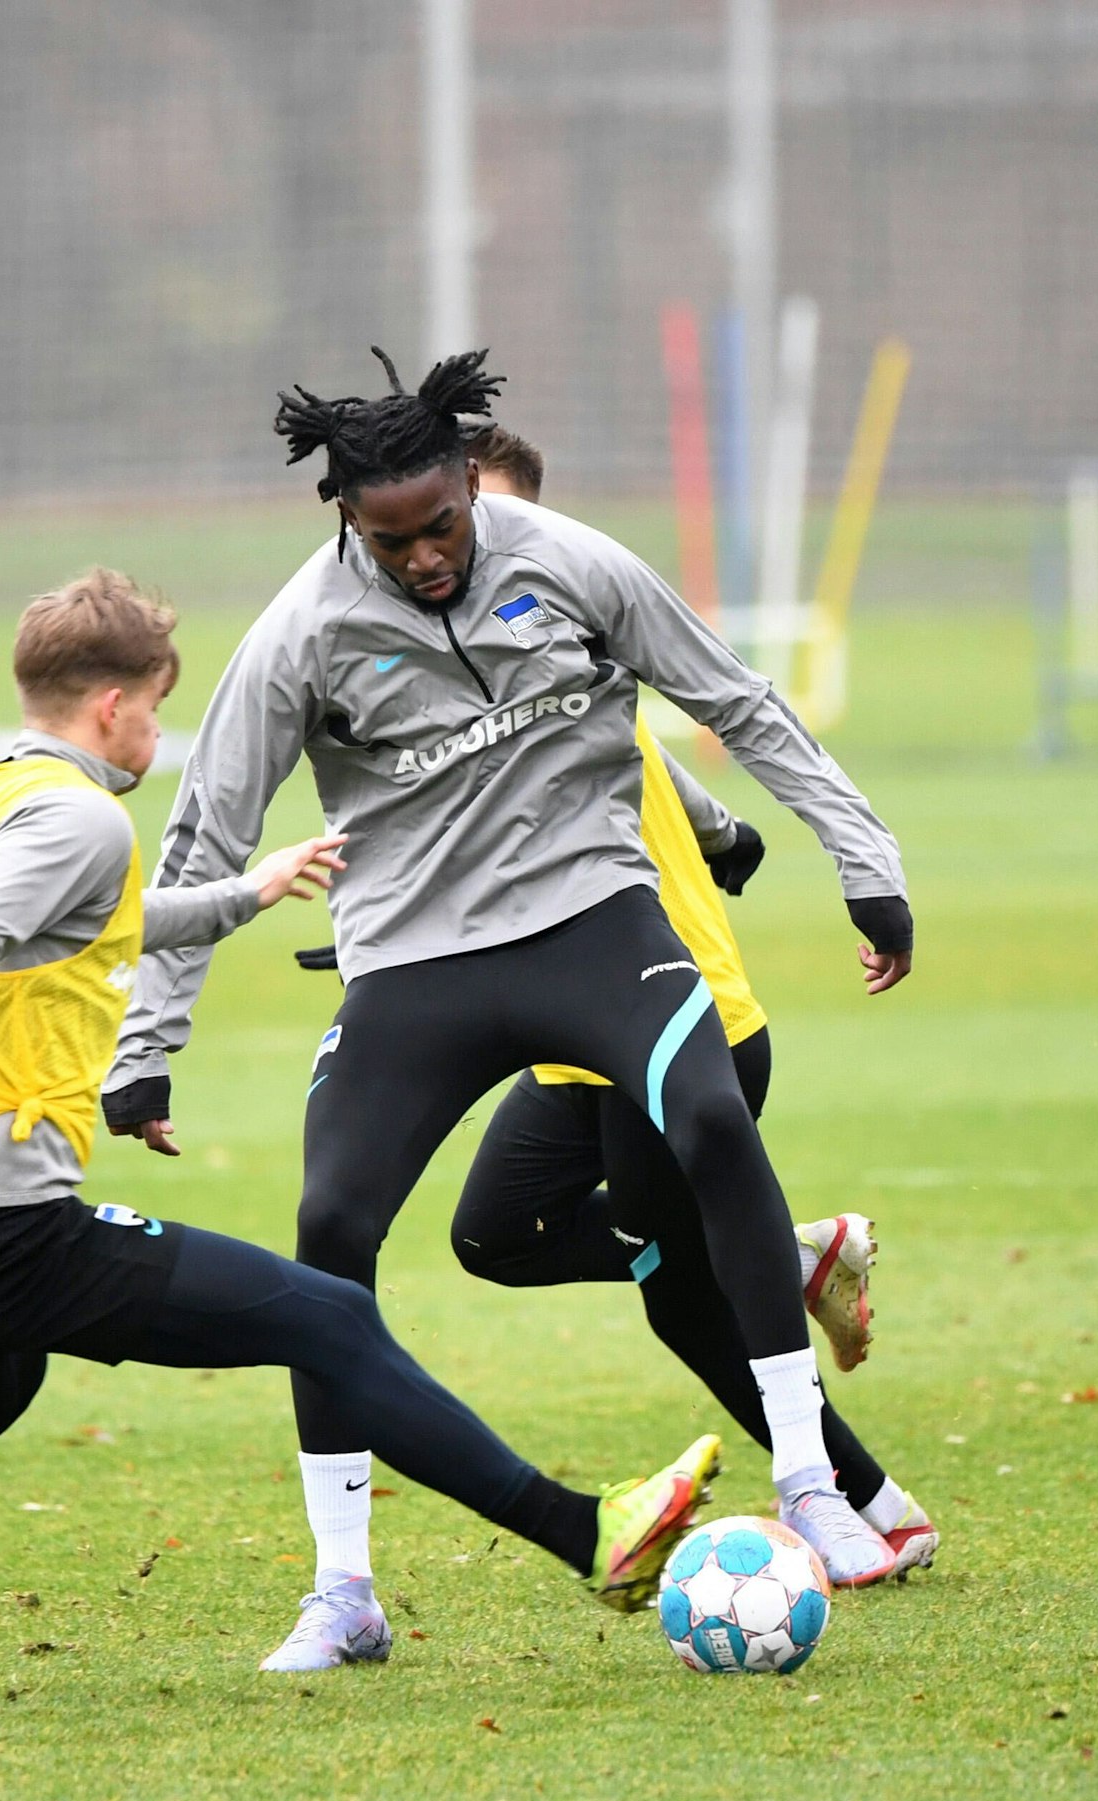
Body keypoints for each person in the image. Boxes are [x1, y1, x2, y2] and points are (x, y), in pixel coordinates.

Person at [0, 566, 721, 1695]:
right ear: (113, 707)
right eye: (155, 703)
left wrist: (246, 892)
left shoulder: (6, 787)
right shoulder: (81, 814)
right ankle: (589, 1535)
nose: (157, 727)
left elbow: (91, 922)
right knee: (330, 1317)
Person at [102, 348, 916, 1675]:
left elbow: (739, 705)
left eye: (444, 524)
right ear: (347, 521)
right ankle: (344, 1591)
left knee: (712, 1120)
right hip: (414, 966)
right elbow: (208, 836)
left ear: (469, 487)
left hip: (596, 925)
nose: (427, 555)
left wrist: (865, 864)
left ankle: (813, 1486)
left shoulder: (574, 564)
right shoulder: (300, 635)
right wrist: (149, 1048)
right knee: (329, 1238)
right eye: (394, 537)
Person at [439, 426, 937, 1573]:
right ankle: (788, 1250)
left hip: (669, 1018)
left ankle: (867, 1504)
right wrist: (724, 830)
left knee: (681, 1296)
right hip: (569, 1041)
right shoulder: (450, 661)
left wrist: (773, 840)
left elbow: (652, 739)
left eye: (494, 517)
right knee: (492, 1232)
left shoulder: (560, 625)